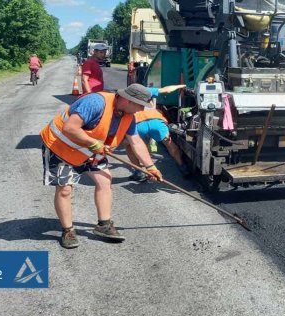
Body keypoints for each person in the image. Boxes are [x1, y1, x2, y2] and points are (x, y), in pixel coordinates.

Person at [40, 84, 163, 249]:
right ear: (127, 100)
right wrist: (92, 143)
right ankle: (68, 230)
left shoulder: (129, 116)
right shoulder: (95, 103)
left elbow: (136, 142)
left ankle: (104, 225)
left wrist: (150, 167)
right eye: (140, 105)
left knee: (105, 181)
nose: (142, 109)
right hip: (62, 147)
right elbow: (70, 127)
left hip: (91, 151)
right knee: (65, 189)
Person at [124, 84, 189, 181]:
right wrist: (180, 86)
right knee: (169, 143)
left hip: (138, 122)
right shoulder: (147, 91)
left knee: (129, 145)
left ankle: (139, 172)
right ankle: (183, 167)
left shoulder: (127, 93)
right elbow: (167, 89)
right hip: (156, 120)